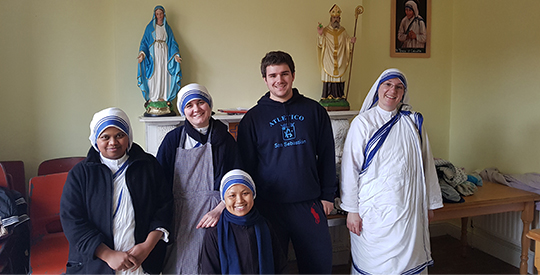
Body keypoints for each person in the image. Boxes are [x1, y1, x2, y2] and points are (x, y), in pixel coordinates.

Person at [236, 50, 337, 274]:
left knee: (318, 266)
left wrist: (327, 195)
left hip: (309, 204)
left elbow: (327, 155)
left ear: (293, 75)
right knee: (271, 267)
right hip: (269, 207)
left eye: (284, 74)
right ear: (265, 79)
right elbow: (246, 166)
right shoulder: (252, 119)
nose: (279, 80)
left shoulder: (314, 111)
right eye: (273, 75)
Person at [340, 68, 443, 274]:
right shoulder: (363, 123)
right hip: (373, 212)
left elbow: (426, 164)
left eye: (398, 87)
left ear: (403, 93)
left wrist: (430, 203)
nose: (392, 90)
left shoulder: (413, 122)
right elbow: (350, 169)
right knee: (374, 264)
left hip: (409, 210)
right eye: (387, 85)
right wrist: (352, 211)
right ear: (378, 89)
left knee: (409, 262)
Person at [60, 107, 173, 274]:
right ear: (95, 139)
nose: (113, 142)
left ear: (129, 136)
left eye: (119, 135)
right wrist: (107, 254)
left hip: (142, 260)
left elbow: (164, 207)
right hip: (97, 263)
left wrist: (147, 246)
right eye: (105, 137)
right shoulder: (80, 174)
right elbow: (72, 220)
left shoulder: (148, 166)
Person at [156, 83, 236, 274]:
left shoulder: (225, 139)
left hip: (217, 213)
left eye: (200, 102)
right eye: (189, 105)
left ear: (209, 105)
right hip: (180, 215)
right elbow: (159, 183)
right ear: (183, 111)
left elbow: (236, 180)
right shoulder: (173, 140)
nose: (196, 109)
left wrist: (219, 209)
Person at [201, 169, 288, 274]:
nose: (239, 200)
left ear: (253, 195)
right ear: (224, 199)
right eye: (232, 195)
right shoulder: (215, 233)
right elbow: (209, 271)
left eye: (245, 193)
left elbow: (280, 266)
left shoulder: (264, 226)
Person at [137, 5, 182, 116]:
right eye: (157, 14)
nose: (159, 16)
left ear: (164, 15)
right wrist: (142, 54)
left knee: (164, 74)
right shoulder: (149, 28)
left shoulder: (167, 28)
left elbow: (172, 43)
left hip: (165, 54)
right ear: (155, 15)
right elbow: (144, 43)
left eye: (161, 13)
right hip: (153, 55)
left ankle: (163, 96)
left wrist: (176, 55)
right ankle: (153, 97)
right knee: (154, 75)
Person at [317, 4, 356, 100]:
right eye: (334, 17)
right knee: (328, 76)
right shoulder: (325, 30)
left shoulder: (343, 31)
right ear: (331, 18)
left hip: (340, 57)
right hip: (328, 58)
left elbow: (347, 40)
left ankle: (339, 95)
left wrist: (351, 41)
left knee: (340, 77)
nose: (335, 20)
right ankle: (326, 96)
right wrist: (321, 34)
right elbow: (320, 44)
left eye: (337, 18)